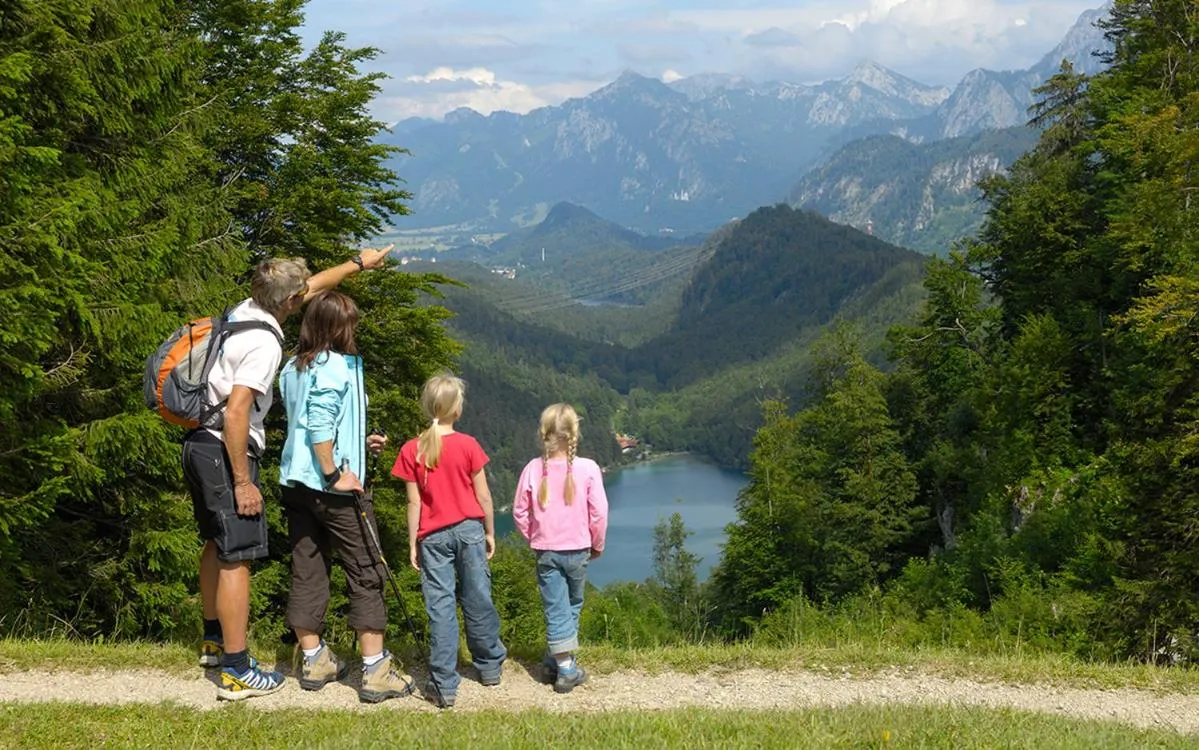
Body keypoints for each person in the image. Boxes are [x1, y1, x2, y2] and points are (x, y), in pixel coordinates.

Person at [184, 245, 393, 702]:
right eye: (299, 292)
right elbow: (239, 413)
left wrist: (358, 264)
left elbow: (314, 286)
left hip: (204, 445)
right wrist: (243, 482)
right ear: (288, 303)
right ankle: (238, 669)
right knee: (237, 555)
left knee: (220, 544)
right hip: (229, 450)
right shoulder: (264, 343)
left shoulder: (246, 312)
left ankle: (215, 642)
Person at [277, 290, 416, 703]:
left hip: (295, 485)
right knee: (366, 568)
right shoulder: (335, 366)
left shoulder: (293, 366)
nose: (354, 328)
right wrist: (336, 473)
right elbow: (319, 425)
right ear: (337, 327)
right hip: (332, 489)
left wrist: (360, 441)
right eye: (349, 322)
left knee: (307, 567)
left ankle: (314, 658)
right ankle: (375, 671)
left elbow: (311, 422)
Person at [391, 374, 507, 708]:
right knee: (477, 596)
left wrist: (413, 542)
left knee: (440, 606)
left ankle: (444, 683)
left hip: (432, 537)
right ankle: (489, 667)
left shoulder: (412, 449)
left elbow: (413, 503)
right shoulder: (468, 445)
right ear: (457, 410)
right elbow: (483, 496)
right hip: (469, 530)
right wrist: (489, 531)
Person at [512, 403, 608, 693]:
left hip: (546, 552)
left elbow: (519, 512)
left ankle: (555, 661)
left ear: (544, 433)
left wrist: (534, 537)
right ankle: (566, 669)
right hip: (578, 549)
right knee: (572, 605)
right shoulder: (588, 468)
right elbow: (599, 513)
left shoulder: (533, 469)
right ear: (574, 432)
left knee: (557, 607)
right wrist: (597, 543)